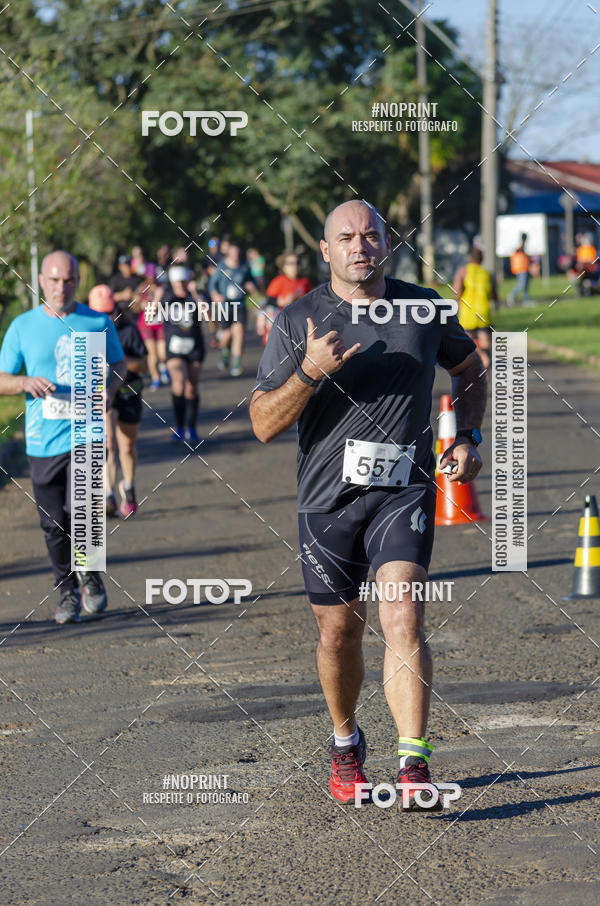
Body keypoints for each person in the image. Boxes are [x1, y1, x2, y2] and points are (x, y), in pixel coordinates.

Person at [250, 200, 486, 809]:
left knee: (403, 613)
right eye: (347, 237)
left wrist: (467, 435)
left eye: (371, 235)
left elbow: (471, 370)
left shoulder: (425, 308)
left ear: (387, 242)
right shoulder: (298, 319)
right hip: (326, 500)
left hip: (403, 490)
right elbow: (262, 423)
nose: (361, 246)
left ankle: (413, 764)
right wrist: (309, 372)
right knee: (338, 634)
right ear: (325, 250)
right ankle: (346, 742)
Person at [0, 251, 126, 624]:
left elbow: (118, 364)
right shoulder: (22, 326)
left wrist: (110, 390)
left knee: (82, 510)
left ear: (78, 281)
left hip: (87, 430)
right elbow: (2, 377)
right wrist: (24, 382)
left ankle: (91, 575)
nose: (61, 287)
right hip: (43, 438)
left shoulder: (97, 321)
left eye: (68, 279)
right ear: (41, 281)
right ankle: (67, 590)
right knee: (53, 523)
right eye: (54, 280)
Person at [89, 285, 147, 517]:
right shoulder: (85, 334)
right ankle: (108, 496)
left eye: (108, 313)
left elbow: (144, 365)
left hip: (129, 392)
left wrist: (119, 362)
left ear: (115, 310)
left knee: (127, 447)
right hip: (105, 396)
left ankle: (129, 488)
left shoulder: (129, 330)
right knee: (109, 445)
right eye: (99, 314)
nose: (105, 318)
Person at [156, 265, 205, 443]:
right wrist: (157, 298)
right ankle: (179, 428)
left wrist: (197, 295)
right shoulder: (166, 297)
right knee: (178, 384)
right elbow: (150, 317)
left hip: (194, 348)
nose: (181, 286)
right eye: (177, 283)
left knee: (192, 387)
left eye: (183, 282)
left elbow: (209, 317)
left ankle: (191, 427)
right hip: (174, 349)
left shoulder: (196, 296)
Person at [208, 242, 259, 376]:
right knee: (227, 335)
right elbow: (212, 284)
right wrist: (215, 295)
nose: (236, 255)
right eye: (233, 252)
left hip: (240, 305)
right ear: (229, 253)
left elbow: (252, 281)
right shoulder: (221, 266)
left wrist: (251, 286)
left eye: (237, 252)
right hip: (225, 306)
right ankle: (225, 354)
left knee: (239, 332)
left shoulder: (244, 267)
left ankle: (236, 364)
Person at [454, 246, 495, 371]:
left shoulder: (463, 271)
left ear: (469, 258)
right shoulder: (487, 273)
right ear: (482, 259)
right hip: (484, 312)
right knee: (485, 342)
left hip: (468, 312)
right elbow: (493, 294)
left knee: (468, 342)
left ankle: (478, 360)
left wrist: (458, 301)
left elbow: (457, 291)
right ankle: (485, 363)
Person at [257, 252, 312, 346]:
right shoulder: (279, 281)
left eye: (297, 263)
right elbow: (268, 301)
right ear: (283, 267)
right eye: (291, 263)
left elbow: (310, 302)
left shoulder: (304, 282)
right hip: (281, 319)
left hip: (299, 321)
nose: (294, 266)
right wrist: (281, 302)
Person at [134, 264, 169, 390]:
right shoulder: (141, 288)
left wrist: (157, 301)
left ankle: (163, 366)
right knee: (152, 353)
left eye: (153, 276)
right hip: (146, 324)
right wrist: (140, 305)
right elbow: (134, 307)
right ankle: (155, 378)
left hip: (160, 323)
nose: (151, 278)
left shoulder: (162, 288)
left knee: (163, 354)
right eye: (149, 276)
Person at [109, 254, 141, 321]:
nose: (127, 267)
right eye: (125, 265)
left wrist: (136, 296)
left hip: (134, 316)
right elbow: (109, 297)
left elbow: (142, 293)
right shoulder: (115, 280)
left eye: (128, 265)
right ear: (120, 267)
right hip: (119, 315)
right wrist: (122, 295)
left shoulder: (137, 279)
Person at [508, 233, 531, 306]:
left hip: (524, 267)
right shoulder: (519, 244)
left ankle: (526, 299)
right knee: (522, 284)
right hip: (520, 267)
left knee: (526, 285)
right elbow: (517, 250)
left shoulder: (523, 245)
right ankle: (512, 295)